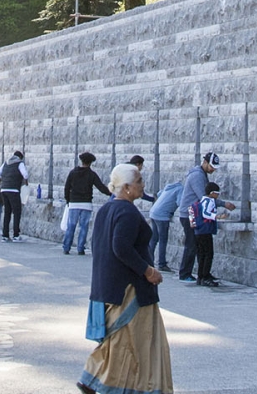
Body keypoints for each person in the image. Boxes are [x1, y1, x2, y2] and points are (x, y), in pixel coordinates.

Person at [78, 163, 172, 394]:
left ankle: (94, 379)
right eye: (139, 181)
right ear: (127, 187)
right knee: (134, 343)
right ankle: (112, 383)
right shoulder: (127, 212)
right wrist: (148, 271)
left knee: (119, 341)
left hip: (111, 288)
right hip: (130, 290)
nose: (143, 185)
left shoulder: (106, 210)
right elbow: (120, 247)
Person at [176, 153, 236, 282]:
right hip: (190, 215)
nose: (213, 169)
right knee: (192, 244)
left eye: (215, 167)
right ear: (205, 162)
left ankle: (202, 274)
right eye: (211, 166)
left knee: (198, 246)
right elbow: (204, 197)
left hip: (194, 214)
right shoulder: (197, 176)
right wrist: (223, 204)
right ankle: (185, 273)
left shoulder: (202, 174)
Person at [63, 152, 113, 255]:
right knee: (84, 227)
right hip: (86, 203)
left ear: (81, 161)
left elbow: (67, 187)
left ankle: (66, 247)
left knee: (71, 225)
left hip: (74, 203)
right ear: (90, 163)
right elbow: (101, 187)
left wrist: (68, 200)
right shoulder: (92, 174)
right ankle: (80, 248)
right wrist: (112, 193)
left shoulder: (73, 173)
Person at [189, 182, 227, 287]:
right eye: (217, 193)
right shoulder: (209, 201)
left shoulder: (202, 200)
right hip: (205, 231)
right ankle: (205, 276)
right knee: (208, 254)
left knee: (201, 254)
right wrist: (217, 216)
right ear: (212, 193)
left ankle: (201, 276)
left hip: (199, 230)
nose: (218, 195)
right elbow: (206, 213)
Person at [0, 151, 30, 242]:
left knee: (7, 212)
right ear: (20, 157)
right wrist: (24, 181)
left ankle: (5, 235)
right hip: (14, 190)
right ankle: (16, 235)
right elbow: (25, 174)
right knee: (16, 212)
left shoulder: (5, 163)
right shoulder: (20, 163)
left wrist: (4, 180)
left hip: (4, 190)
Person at [149, 181, 183, 272]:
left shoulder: (169, 187)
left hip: (153, 212)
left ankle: (148, 262)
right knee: (162, 240)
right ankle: (162, 264)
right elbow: (180, 203)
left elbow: (159, 194)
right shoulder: (181, 189)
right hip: (162, 216)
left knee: (154, 239)